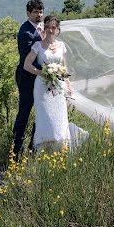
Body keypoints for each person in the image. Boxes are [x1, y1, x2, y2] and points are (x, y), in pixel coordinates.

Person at [23, 14, 74, 152]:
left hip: (58, 87)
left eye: (53, 27)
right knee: (45, 117)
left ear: (57, 29)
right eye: (48, 27)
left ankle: (61, 148)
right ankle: (44, 149)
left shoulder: (61, 46)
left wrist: (68, 85)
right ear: (44, 28)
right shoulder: (38, 45)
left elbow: (64, 68)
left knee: (60, 116)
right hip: (42, 87)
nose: (50, 30)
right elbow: (26, 65)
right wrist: (42, 73)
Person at [12, 0, 45, 159]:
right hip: (27, 78)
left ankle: (34, 146)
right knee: (24, 113)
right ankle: (16, 150)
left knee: (41, 112)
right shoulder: (25, 32)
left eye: (40, 11)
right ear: (28, 13)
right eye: (35, 12)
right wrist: (48, 71)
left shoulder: (43, 27)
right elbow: (27, 60)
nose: (39, 14)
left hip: (41, 78)